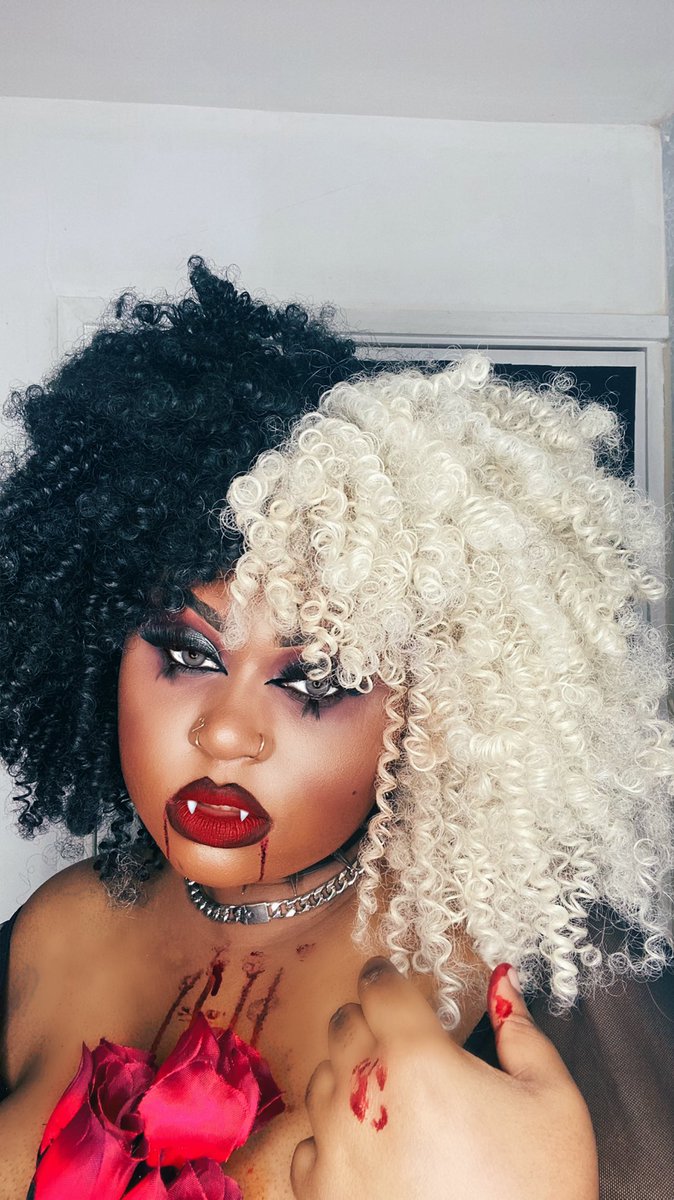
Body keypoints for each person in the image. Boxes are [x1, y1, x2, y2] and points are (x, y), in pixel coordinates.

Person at [0, 258, 671, 1200]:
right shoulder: (51, 930)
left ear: (434, 713)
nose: (226, 735)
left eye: (314, 681)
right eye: (187, 655)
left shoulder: (532, 989)